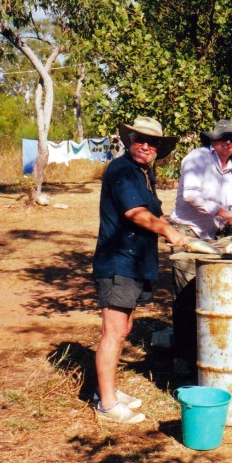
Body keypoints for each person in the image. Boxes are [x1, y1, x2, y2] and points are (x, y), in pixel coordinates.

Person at [92, 116, 190, 423]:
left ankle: (106, 390)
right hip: (118, 262)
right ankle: (107, 405)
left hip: (135, 262)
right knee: (113, 333)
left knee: (123, 330)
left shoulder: (144, 173)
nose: (146, 146)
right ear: (129, 141)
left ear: (158, 148)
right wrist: (167, 231)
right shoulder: (121, 169)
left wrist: (174, 227)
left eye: (152, 142)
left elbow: (150, 213)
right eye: (140, 140)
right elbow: (135, 213)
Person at [169, 119, 232, 374]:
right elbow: (191, 195)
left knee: (207, 294)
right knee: (186, 295)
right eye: (222, 138)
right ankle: (183, 358)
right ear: (212, 141)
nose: (228, 143)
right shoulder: (197, 159)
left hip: (212, 237)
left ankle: (206, 353)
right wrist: (224, 213)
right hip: (186, 233)